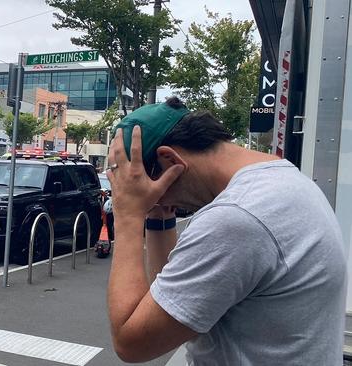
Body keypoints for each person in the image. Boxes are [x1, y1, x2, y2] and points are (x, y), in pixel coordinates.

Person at [105, 97, 346, 364]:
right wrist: (157, 215)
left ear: (169, 159)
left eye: (153, 190)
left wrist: (127, 216)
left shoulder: (236, 218)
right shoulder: (283, 180)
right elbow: (173, 301)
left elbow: (132, 342)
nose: (156, 198)